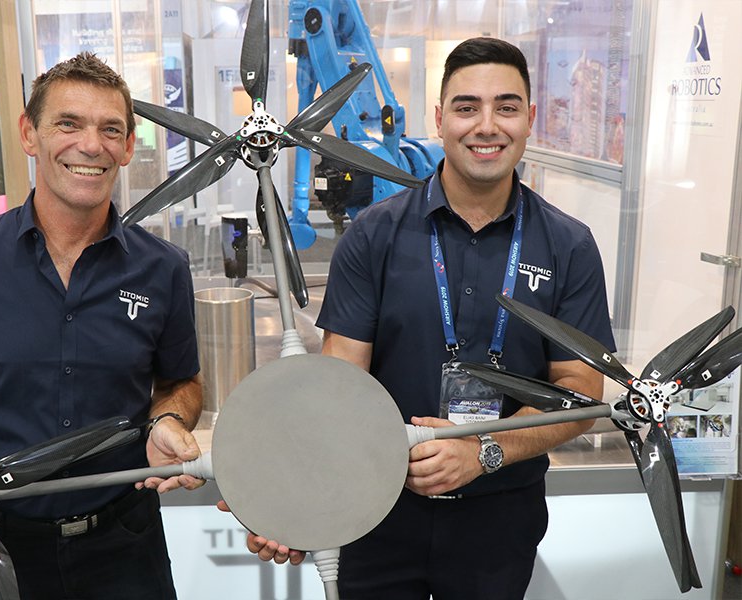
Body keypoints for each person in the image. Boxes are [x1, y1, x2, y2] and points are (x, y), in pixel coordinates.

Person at [245, 37, 615, 598]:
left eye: (506, 107)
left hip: (499, 521)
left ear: (530, 119)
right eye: (467, 107)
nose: (486, 126)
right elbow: (339, 387)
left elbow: (580, 391)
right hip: (378, 510)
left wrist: (484, 450)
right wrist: (295, 497)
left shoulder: (569, 246)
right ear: (440, 119)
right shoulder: (374, 236)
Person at [0, 52, 203, 600]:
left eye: (110, 129)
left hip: (123, 546)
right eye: (68, 124)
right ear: (30, 134)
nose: (91, 145)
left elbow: (180, 382)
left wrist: (168, 419)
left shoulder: (163, 268)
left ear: (128, 146)